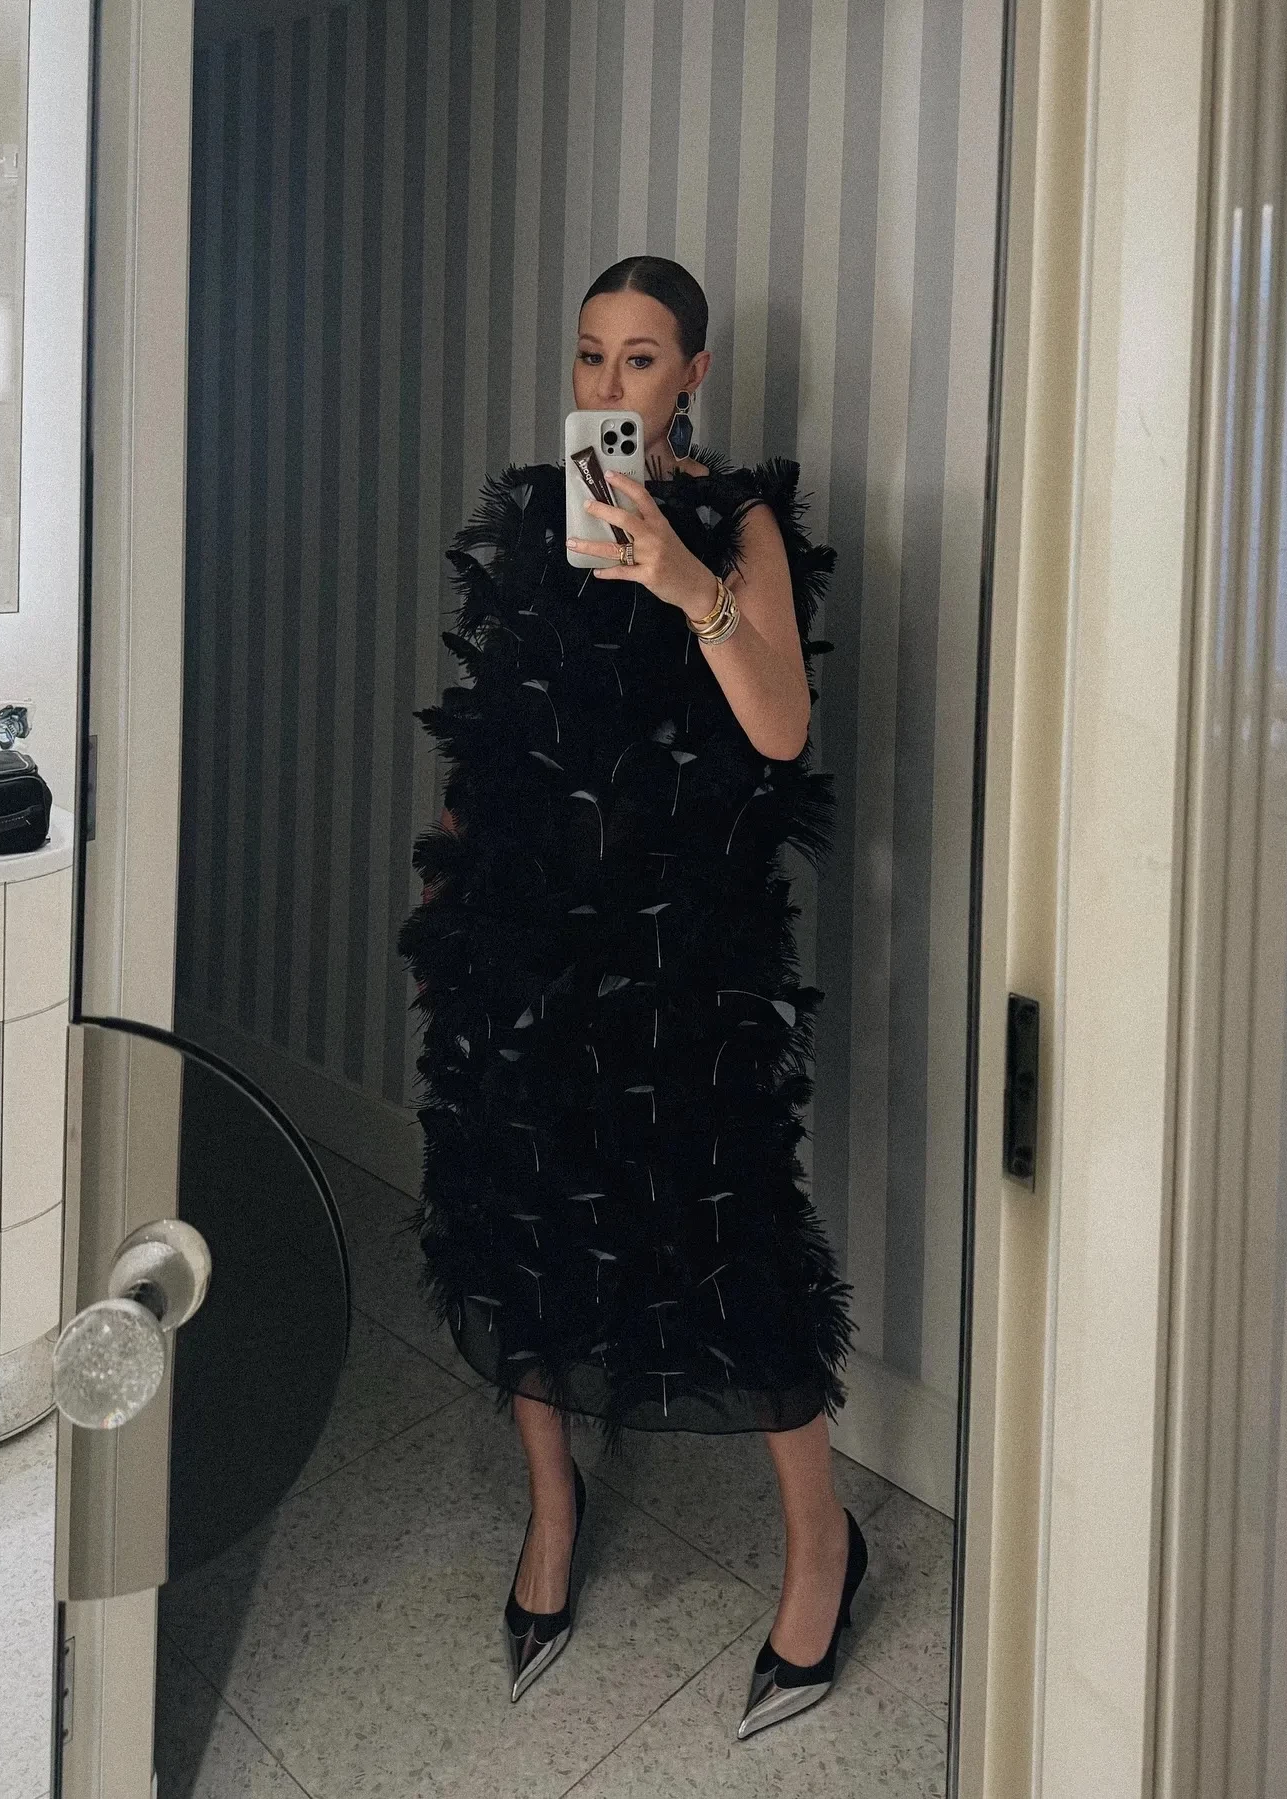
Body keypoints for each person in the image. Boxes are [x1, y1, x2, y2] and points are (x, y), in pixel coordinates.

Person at [398, 256, 864, 1741]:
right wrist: (453, 886)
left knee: (732, 1237)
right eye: (591, 356)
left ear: (694, 376)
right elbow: (495, 735)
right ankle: (552, 1507)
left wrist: (681, 579)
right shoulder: (540, 520)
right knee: (517, 1215)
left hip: (680, 959)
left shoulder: (736, 525)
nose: (609, 384)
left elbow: (781, 729)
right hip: (525, 938)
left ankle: (821, 1546)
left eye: (642, 358)